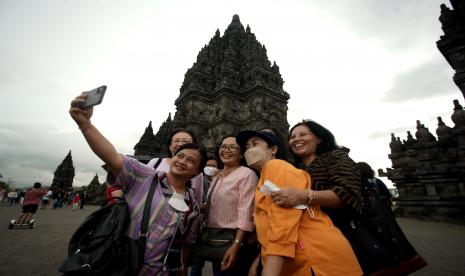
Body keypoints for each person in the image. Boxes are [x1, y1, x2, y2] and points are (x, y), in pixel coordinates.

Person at [69, 92, 208, 275]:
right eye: (179, 155)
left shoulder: (192, 206)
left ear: (197, 171)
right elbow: (111, 156)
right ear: (171, 156)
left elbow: (184, 244)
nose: (182, 161)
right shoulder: (145, 176)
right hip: (121, 265)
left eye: (190, 160)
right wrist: (85, 125)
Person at [237, 130, 362, 276]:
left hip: (316, 260)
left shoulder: (276, 166)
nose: (250, 149)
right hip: (304, 259)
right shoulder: (264, 176)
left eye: (255, 144)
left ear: (273, 149)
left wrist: (269, 271)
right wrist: (261, 259)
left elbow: (282, 223)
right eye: (247, 147)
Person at [270, 120, 362, 230]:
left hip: (341, 230)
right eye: (292, 137)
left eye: (303, 134)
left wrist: (302, 196)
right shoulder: (293, 168)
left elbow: (347, 193)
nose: (296, 139)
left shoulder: (335, 156)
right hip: (306, 234)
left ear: (319, 139)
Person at [195, 135, 259, 276]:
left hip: (232, 241)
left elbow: (246, 212)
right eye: (223, 147)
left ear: (242, 153)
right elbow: (214, 205)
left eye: (232, 147)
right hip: (215, 240)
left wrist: (236, 245)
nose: (226, 150)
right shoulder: (218, 177)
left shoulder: (246, 175)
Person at [146, 129, 205, 211]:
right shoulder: (155, 162)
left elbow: (196, 203)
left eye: (185, 141)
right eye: (176, 141)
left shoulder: (197, 174)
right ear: (170, 146)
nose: (180, 144)